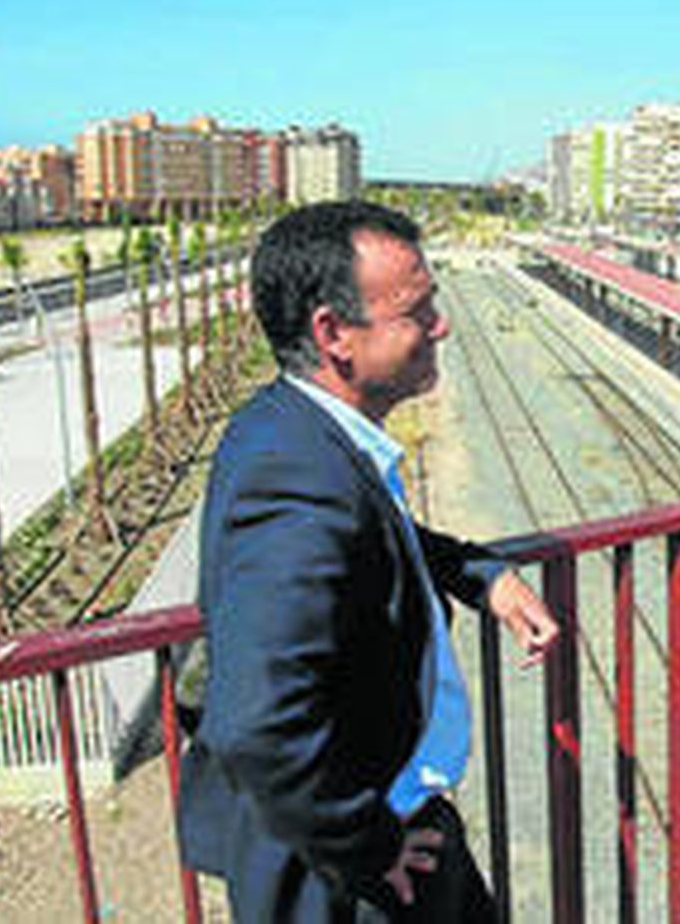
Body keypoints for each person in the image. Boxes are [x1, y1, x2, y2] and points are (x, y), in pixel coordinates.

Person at [178, 201, 559, 922]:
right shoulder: (294, 483)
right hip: (349, 875)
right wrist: (370, 843)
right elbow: (256, 724)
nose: (440, 324)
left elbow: (375, 539)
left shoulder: (292, 431)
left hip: (385, 833)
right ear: (334, 334)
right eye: (418, 311)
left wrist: (480, 574)